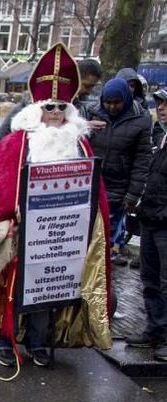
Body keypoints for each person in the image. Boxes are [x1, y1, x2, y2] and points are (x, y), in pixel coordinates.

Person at [0, 43, 112, 370]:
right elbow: (1, 182)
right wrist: (9, 214)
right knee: (11, 285)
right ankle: (3, 340)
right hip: (21, 229)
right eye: (50, 106)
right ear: (37, 108)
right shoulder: (16, 142)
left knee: (50, 287)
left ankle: (38, 341)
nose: (56, 113)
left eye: (62, 107)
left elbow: (93, 189)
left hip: (62, 235)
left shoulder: (79, 143)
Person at [89, 77, 151, 267]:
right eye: (108, 102)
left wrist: (133, 194)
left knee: (108, 238)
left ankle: (105, 282)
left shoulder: (140, 120)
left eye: (117, 103)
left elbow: (142, 160)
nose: (112, 107)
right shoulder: (93, 114)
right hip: (92, 185)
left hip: (119, 188)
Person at [126, 91, 167, 360]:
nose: (160, 108)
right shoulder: (161, 137)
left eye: (166, 104)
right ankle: (156, 329)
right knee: (150, 279)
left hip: (164, 221)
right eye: (159, 103)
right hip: (151, 219)